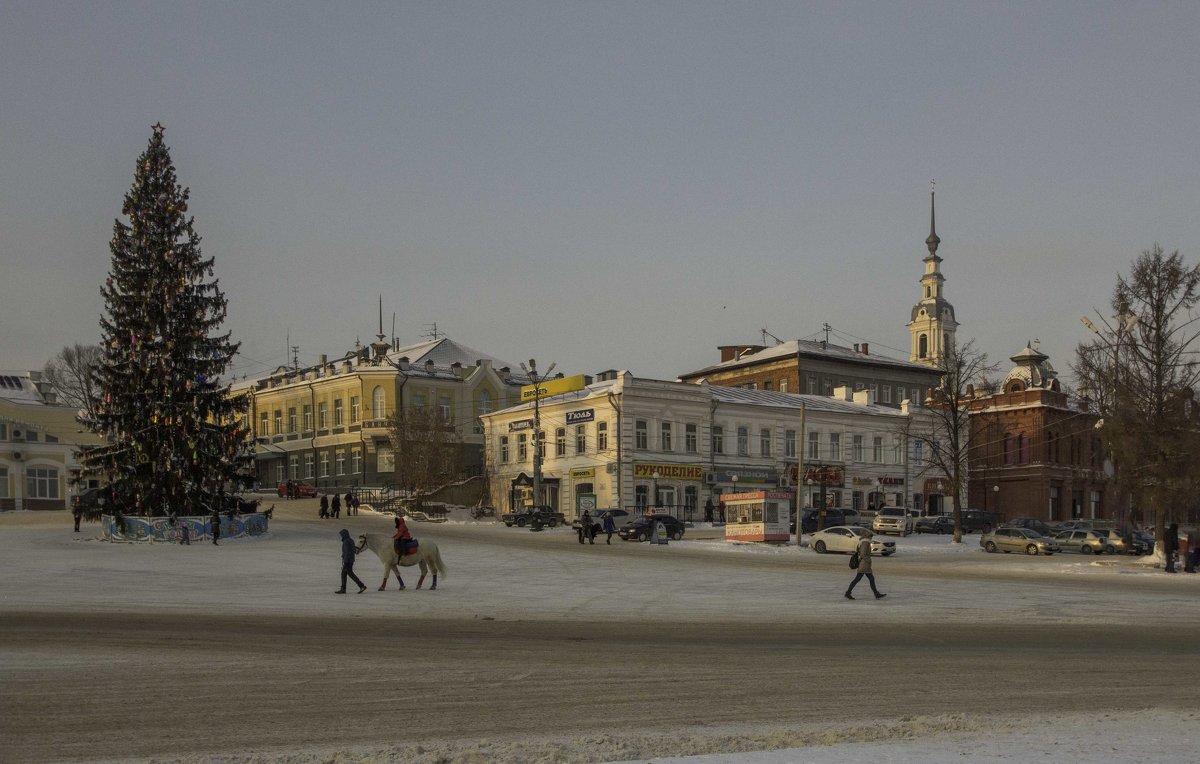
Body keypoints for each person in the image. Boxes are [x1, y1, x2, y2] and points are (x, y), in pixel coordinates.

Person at [845, 531, 885, 600]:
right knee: (859, 579)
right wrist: (868, 560)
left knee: (869, 578)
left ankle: (876, 594)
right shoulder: (865, 542)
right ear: (868, 536)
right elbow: (863, 554)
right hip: (864, 564)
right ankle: (848, 593)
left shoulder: (863, 542)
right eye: (871, 537)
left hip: (864, 563)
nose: (871, 538)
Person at [336, 528, 367, 594]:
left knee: (347, 574)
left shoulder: (346, 541)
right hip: (351, 560)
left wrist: (345, 561)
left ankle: (361, 586)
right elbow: (352, 550)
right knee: (347, 574)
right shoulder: (351, 540)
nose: (341, 536)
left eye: (341, 535)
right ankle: (360, 586)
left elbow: (347, 552)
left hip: (348, 561)